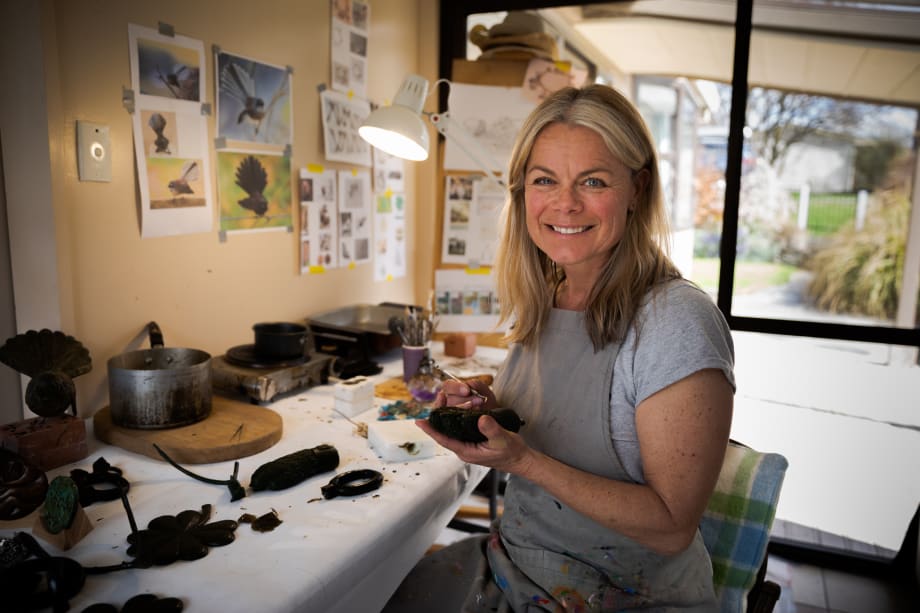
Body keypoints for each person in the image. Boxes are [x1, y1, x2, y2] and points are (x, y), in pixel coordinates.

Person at [386, 84, 734, 612]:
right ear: (523, 191)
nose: (565, 203)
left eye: (593, 181)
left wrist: (524, 461)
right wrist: (488, 405)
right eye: (544, 179)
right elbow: (548, 416)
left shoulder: (674, 322)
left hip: (624, 596)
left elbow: (670, 527)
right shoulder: (550, 296)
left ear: (637, 189)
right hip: (520, 565)